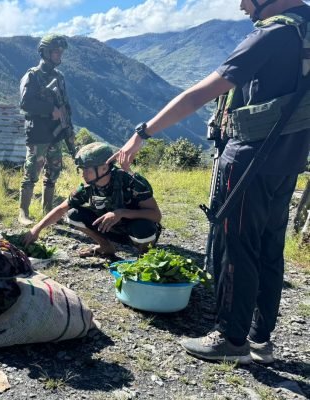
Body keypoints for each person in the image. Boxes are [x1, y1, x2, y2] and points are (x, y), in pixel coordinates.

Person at [109, 0, 310, 364]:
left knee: (235, 247)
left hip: (249, 159)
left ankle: (230, 340)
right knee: (269, 246)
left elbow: (199, 94)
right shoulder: (305, 28)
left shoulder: (272, 34)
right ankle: (260, 337)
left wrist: (142, 133)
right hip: (290, 158)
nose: (242, 5)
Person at [23, 142, 162, 257]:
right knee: (73, 214)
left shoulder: (131, 182)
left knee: (143, 228)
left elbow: (156, 215)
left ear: (104, 168)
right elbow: (61, 209)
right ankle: (105, 247)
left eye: (87, 170)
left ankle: (145, 255)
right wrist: (37, 229)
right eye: (82, 170)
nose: (83, 175)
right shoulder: (87, 188)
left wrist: (121, 213)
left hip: (137, 231)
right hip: (112, 230)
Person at [18, 34, 74, 225]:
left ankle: (47, 212)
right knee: (32, 172)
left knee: (53, 172)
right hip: (38, 133)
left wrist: (68, 129)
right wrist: (51, 110)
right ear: (45, 52)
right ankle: (23, 213)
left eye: (61, 51)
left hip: (56, 134)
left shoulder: (60, 77)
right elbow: (25, 103)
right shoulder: (32, 75)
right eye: (56, 51)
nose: (59, 55)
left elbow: (65, 106)